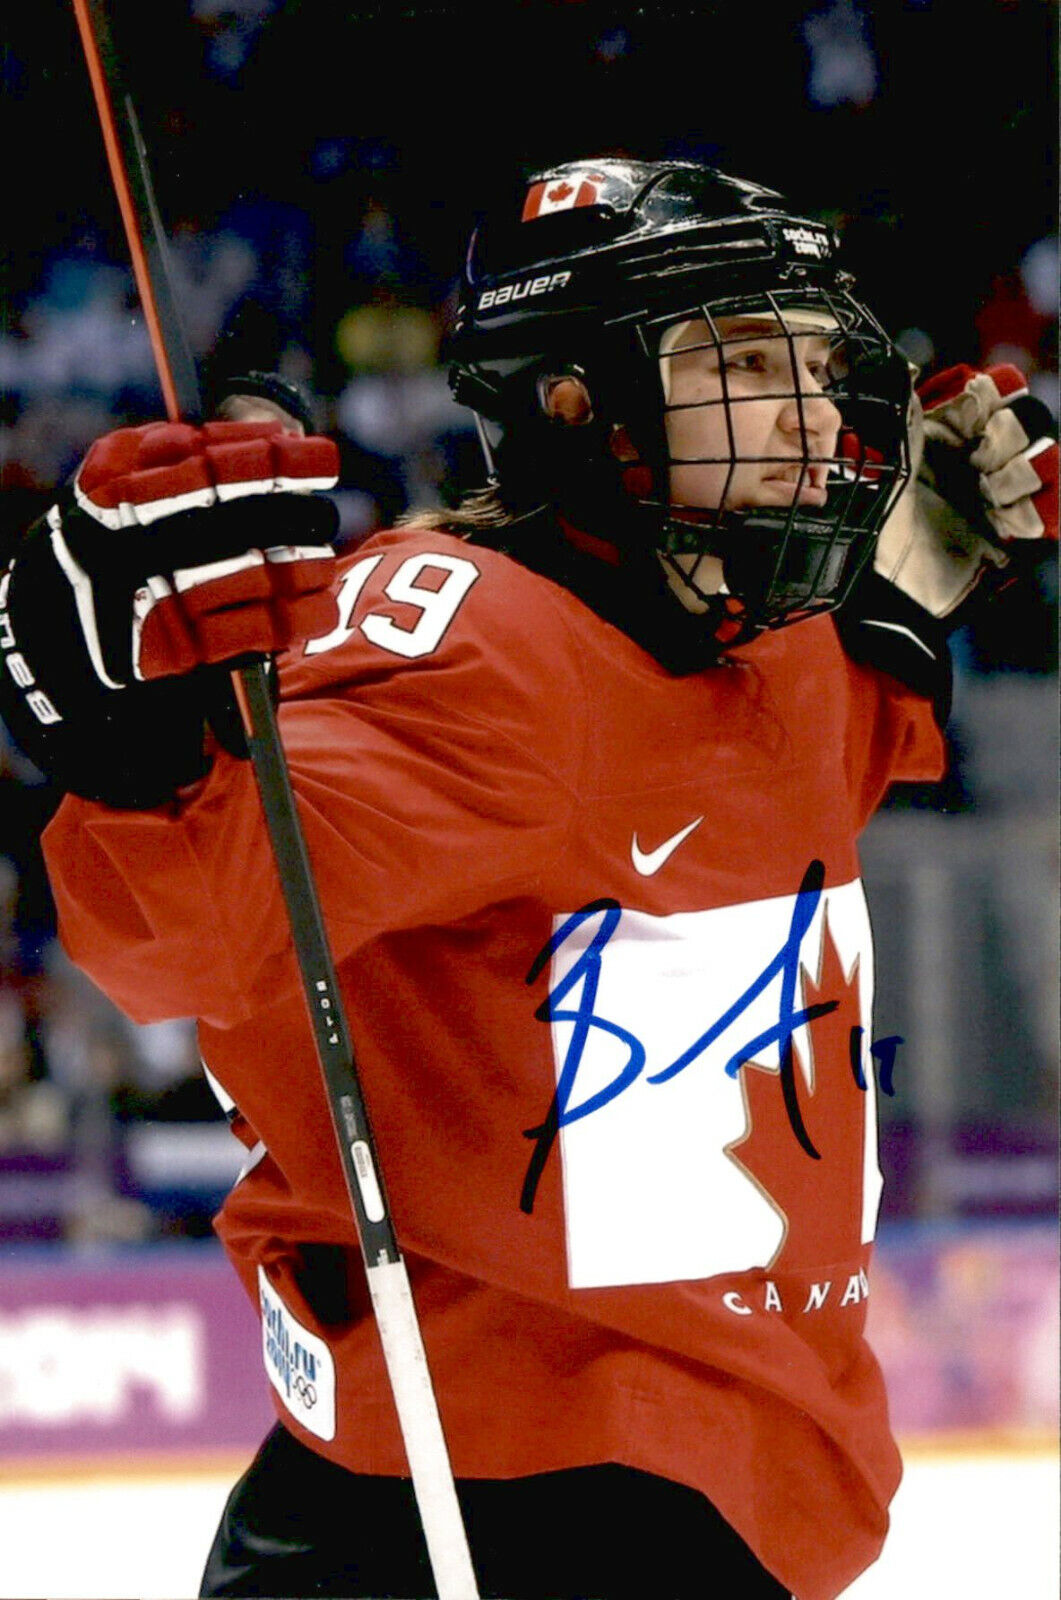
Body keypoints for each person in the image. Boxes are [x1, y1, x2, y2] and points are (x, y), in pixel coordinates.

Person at [0, 159, 1056, 1599]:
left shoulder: (763, 637)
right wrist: (116, 736)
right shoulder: (470, 651)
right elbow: (198, 927)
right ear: (577, 399)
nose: (812, 417)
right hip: (492, 1506)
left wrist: (891, 606)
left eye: (816, 366)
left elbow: (729, 788)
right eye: (745, 364)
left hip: (709, 1472)